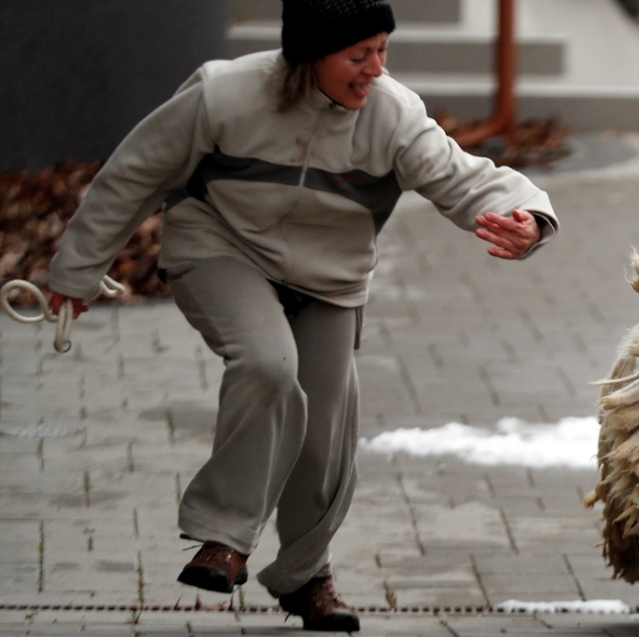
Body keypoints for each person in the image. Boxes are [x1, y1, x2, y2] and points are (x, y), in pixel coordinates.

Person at [47, 0, 558, 632]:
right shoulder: (225, 94)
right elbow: (134, 172)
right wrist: (75, 273)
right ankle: (224, 536)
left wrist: (531, 218)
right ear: (311, 54)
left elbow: (465, 177)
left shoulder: (393, 113)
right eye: (358, 55)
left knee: (322, 437)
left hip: (329, 278)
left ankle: (306, 576)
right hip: (222, 247)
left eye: (382, 50)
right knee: (268, 364)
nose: (376, 68)